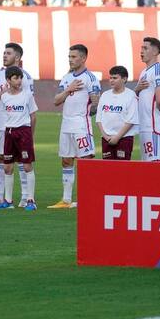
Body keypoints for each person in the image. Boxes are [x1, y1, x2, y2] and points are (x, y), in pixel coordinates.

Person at [0, 43, 34, 207]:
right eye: (4, 53)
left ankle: (26, 197)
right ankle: (0, 196)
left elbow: (28, 102)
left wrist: (30, 132)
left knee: (22, 161)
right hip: (1, 124)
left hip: (20, 125)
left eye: (8, 53)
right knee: (1, 158)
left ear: (17, 57)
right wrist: (2, 93)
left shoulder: (25, 77)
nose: (4, 55)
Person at [50, 44, 100, 208]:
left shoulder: (90, 78)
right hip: (66, 125)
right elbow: (57, 100)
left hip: (81, 125)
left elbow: (96, 103)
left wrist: (86, 114)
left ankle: (87, 198)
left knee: (86, 161)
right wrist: (69, 90)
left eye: (74, 57)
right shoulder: (66, 78)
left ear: (83, 58)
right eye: (69, 57)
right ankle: (66, 200)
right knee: (66, 160)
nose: (70, 60)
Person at [0, 66, 38, 211]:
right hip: (9, 133)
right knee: (7, 167)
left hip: (23, 132)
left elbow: (33, 116)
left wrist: (31, 135)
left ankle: (30, 200)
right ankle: (8, 200)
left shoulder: (27, 95)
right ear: (8, 80)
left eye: (20, 78)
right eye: (15, 78)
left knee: (26, 166)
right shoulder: (4, 97)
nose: (19, 81)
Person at [134, 37, 160, 162]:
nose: (141, 51)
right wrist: (137, 89)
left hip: (153, 126)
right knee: (147, 165)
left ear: (155, 52)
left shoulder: (158, 70)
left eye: (145, 48)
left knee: (155, 163)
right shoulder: (144, 72)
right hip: (144, 126)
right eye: (141, 48)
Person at [96, 66, 139, 161]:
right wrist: (105, 136)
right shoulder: (105, 95)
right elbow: (99, 119)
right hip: (106, 138)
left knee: (122, 170)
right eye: (110, 78)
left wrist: (117, 137)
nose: (111, 80)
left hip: (124, 138)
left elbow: (130, 120)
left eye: (115, 78)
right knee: (108, 169)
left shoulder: (130, 95)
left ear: (124, 79)